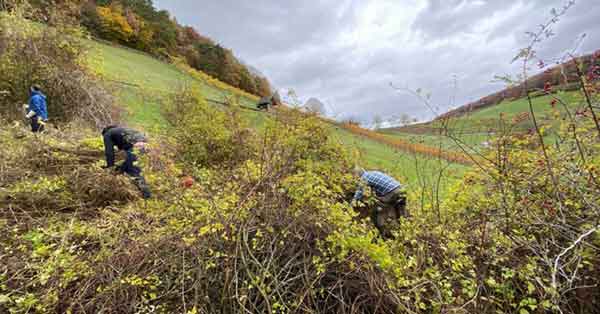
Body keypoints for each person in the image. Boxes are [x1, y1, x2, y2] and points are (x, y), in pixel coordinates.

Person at [102, 125, 151, 199]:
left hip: (137, 146)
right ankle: (141, 192)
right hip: (146, 145)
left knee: (133, 171)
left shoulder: (107, 134)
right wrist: (119, 168)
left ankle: (147, 196)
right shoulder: (121, 130)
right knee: (127, 167)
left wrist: (110, 168)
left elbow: (109, 153)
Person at [353, 168, 407, 235]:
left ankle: (383, 233)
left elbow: (359, 193)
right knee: (401, 215)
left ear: (358, 175)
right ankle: (405, 233)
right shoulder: (372, 173)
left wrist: (351, 205)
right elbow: (380, 190)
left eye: (356, 177)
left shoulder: (364, 177)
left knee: (377, 210)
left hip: (393, 192)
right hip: (401, 190)